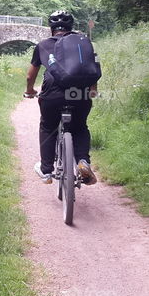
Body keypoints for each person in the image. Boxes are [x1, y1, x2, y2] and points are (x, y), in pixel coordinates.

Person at [24, 10, 98, 185]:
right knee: (79, 127)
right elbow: (91, 70)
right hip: (80, 93)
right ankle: (83, 162)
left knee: (48, 127)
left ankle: (46, 170)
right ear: (70, 27)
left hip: (52, 94)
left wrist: (30, 91)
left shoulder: (42, 45)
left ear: (51, 28)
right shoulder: (83, 42)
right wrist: (92, 91)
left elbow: (30, 77)